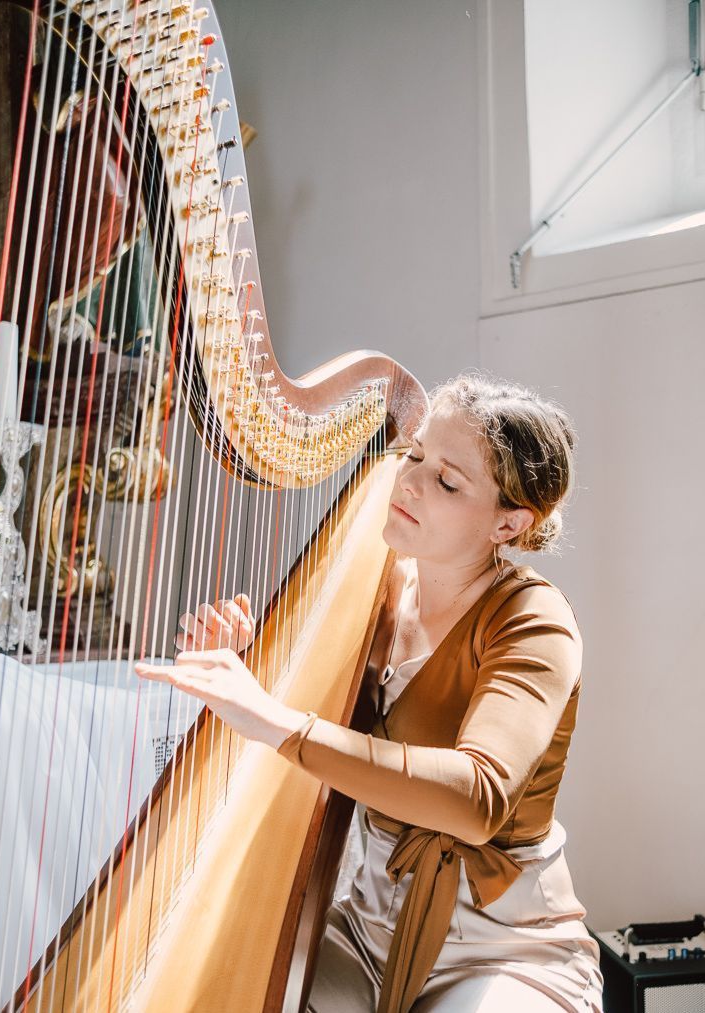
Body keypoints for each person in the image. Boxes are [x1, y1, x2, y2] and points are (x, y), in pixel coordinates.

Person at [136, 372, 605, 1012]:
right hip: (365, 934)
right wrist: (249, 663)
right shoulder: (377, 588)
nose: (409, 482)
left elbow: (477, 797)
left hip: (503, 948)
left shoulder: (533, 623)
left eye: (447, 481)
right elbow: (303, 720)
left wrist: (277, 721)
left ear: (508, 523)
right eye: (414, 456)